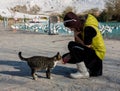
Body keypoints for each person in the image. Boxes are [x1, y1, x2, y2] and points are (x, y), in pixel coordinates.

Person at [62, 12, 106, 79]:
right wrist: (70, 55)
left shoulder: (89, 28)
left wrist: (76, 36)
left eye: (70, 27)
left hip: (97, 57)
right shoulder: (81, 28)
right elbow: (78, 46)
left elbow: (87, 45)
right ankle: (85, 68)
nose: (70, 29)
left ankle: (83, 72)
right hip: (92, 54)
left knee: (72, 45)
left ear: (74, 24)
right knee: (65, 56)